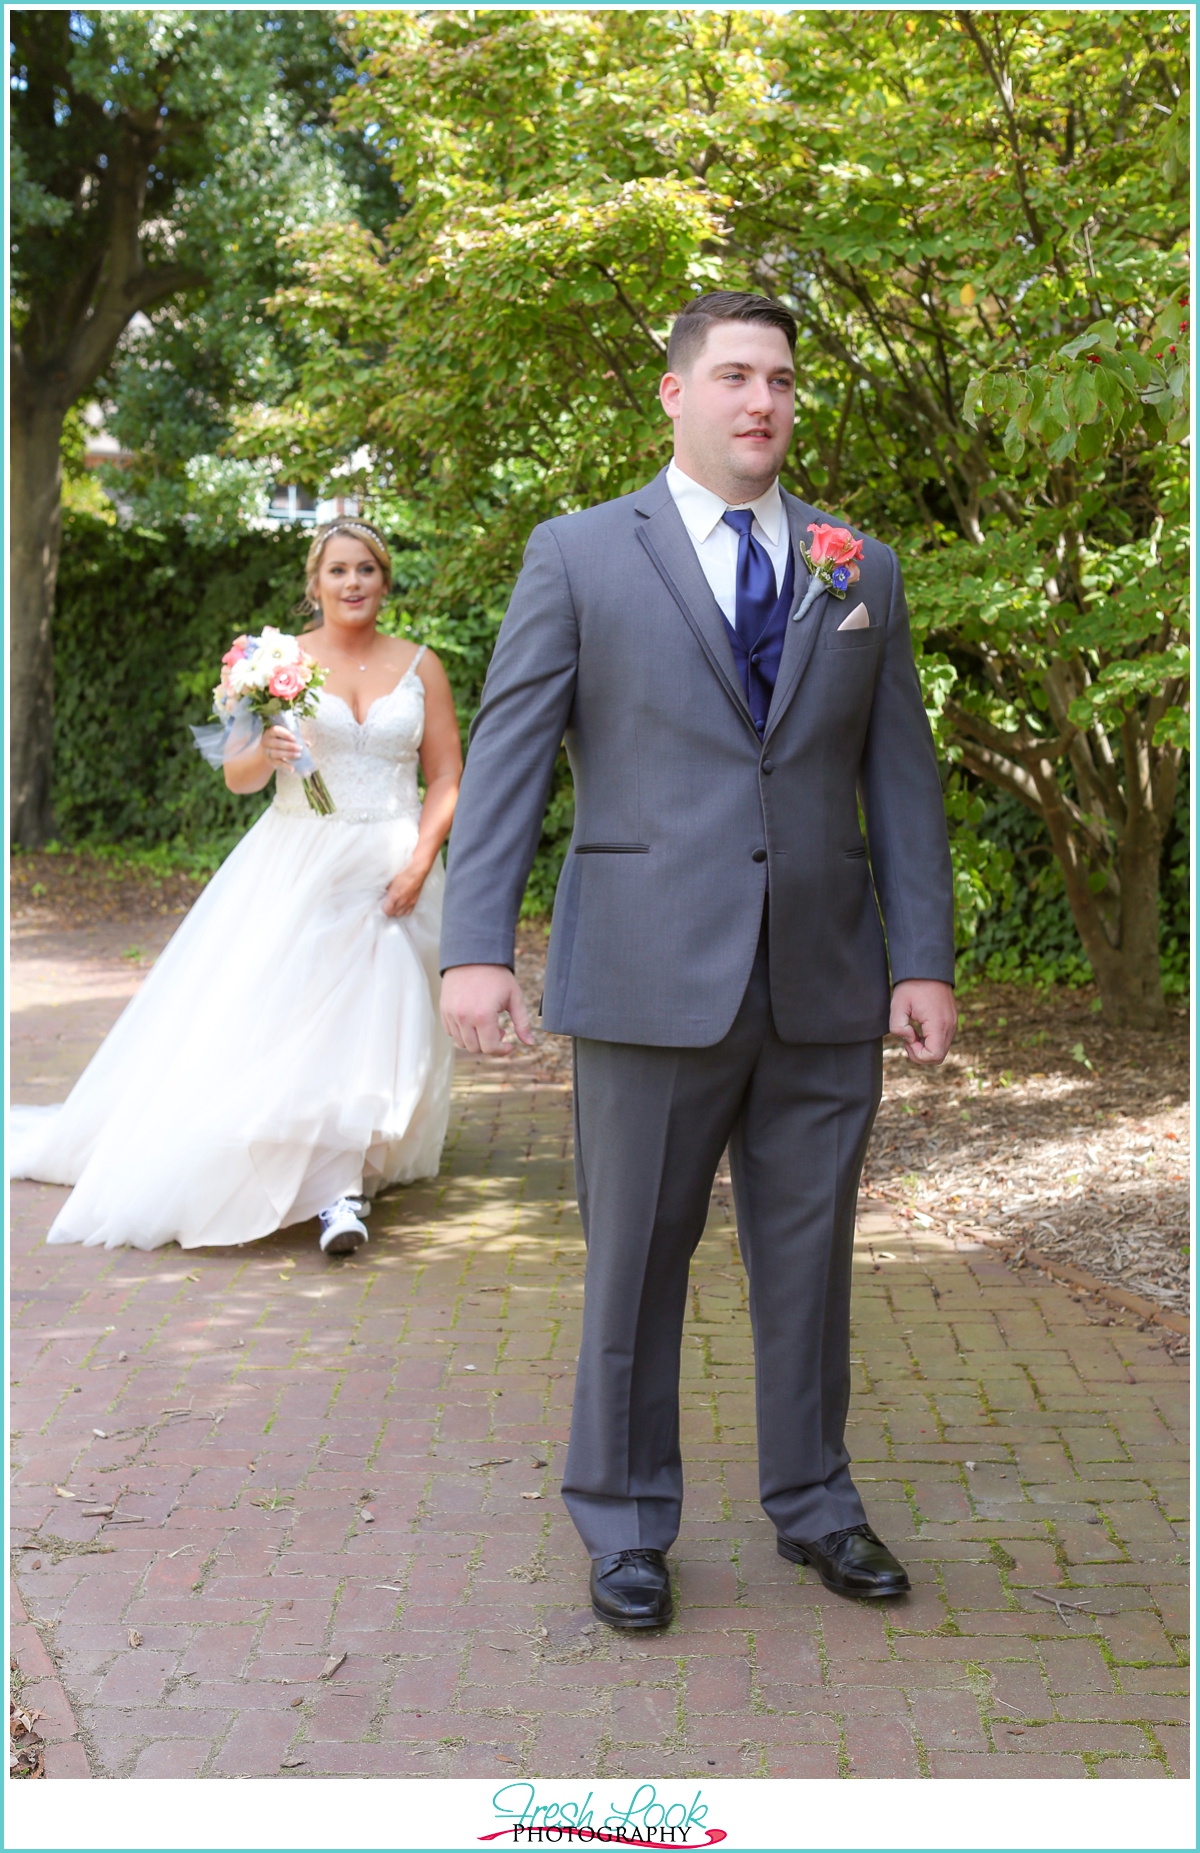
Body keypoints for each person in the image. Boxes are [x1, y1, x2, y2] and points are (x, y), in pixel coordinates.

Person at [439, 291, 957, 1629]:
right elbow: (505, 763)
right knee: (635, 1262)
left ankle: (818, 1503)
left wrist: (925, 957)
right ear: (674, 394)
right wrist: (476, 948)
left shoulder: (861, 568)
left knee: (812, 1254)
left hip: (826, 978)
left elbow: (900, 775)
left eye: (780, 379)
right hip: (646, 971)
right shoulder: (576, 554)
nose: (762, 401)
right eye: (733, 375)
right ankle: (622, 1521)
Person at [9, 517, 461, 1257]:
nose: (353, 583)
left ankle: (339, 1172)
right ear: (314, 584)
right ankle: (336, 1195)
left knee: (384, 1014)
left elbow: (445, 772)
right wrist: (272, 749)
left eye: (367, 570)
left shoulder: (421, 666)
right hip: (305, 864)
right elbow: (238, 775)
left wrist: (419, 860)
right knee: (318, 1019)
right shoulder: (270, 661)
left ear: (385, 581)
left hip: (394, 865)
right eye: (338, 570)